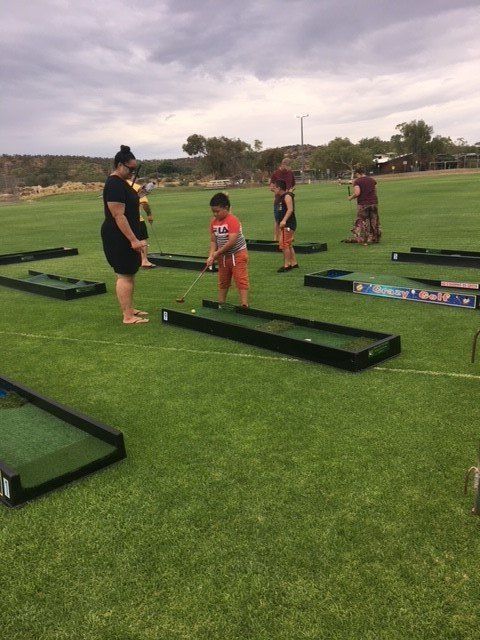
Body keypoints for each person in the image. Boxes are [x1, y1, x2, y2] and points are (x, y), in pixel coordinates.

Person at [101, 145, 149, 324]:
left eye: (134, 169)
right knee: (124, 274)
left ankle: (130, 309)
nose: (132, 172)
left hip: (125, 235)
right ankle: (127, 316)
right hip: (117, 236)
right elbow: (118, 215)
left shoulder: (122, 183)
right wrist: (134, 240)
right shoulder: (113, 184)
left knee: (130, 273)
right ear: (120, 165)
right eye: (130, 169)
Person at [206, 192, 249, 307]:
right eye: (213, 211)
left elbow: (232, 241)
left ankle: (244, 304)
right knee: (223, 281)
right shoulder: (213, 222)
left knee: (240, 279)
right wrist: (211, 255)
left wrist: (217, 253)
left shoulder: (233, 220)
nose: (215, 214)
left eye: (217, 211)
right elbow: (213, 241)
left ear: (226, 208)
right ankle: (221, 303)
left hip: (238, 253)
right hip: (223, 256)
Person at [344, 165, 381, 244]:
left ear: (358, 173)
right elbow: (375, 191)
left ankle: (363, 239)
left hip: (363, 204)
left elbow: (357, 193)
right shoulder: (372, 180)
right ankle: (375, 238)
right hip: (374, 203)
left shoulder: (357, 181)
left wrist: (351, 197)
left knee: (362, 221)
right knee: (374, 220)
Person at [127, 178, 155, 268]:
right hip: (137, 219)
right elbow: (144, 203)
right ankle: (144, 261)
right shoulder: (136, 186)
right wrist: (149, 215)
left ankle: (129, 260)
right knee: (142, 239)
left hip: (121, 220)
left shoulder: (117, 185)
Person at [272, 180, 298, 272]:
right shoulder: (280, 197)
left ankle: (287, 265)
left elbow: (290, 210)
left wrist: (284, 220)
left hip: (288, 224)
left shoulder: (287, 196)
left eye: (274, 188)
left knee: (284, 244)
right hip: (285, 224)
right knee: (288, 244)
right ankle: (294, 263)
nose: (273, 189)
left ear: (279, 188)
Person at [269, 157, 295, 241]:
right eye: (288, 166)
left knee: (290, 217)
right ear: (283, 164)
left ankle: (290, 236)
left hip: (288, 199)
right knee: (278, 219)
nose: (289, 168)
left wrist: (290, 191)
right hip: (278, 200)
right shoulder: (276, 174)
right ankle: (276, 238)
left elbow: (293, 185)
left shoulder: (290, 173)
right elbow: (271, 187)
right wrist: (279, 192)